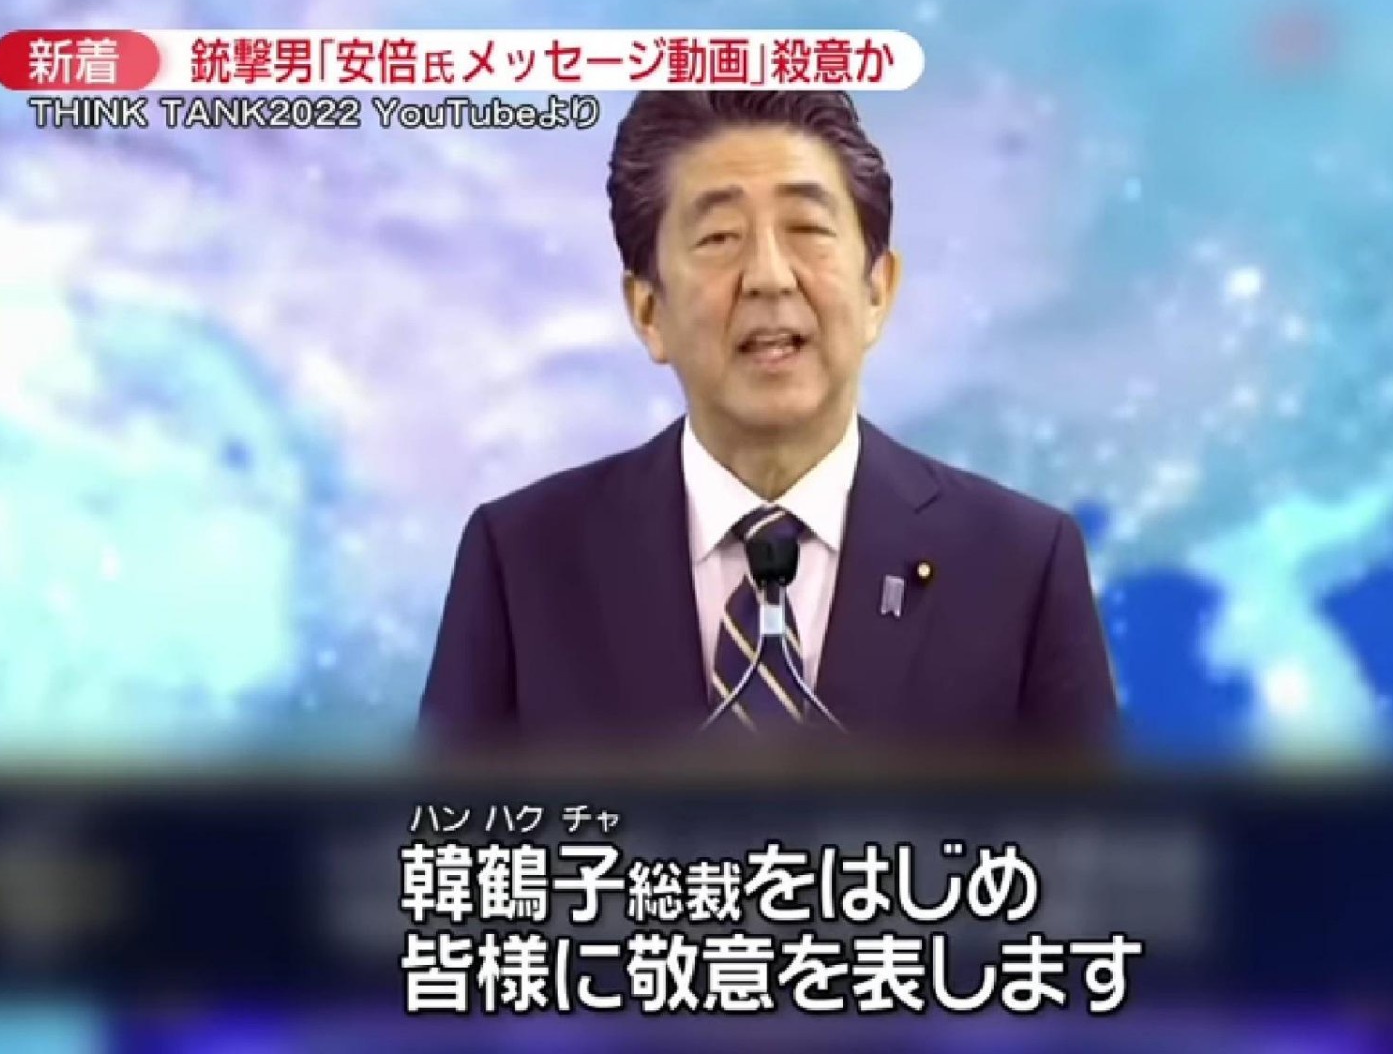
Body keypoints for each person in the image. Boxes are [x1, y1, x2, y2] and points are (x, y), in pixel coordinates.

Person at [419, 90, 1118, 757]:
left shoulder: (1020, 565)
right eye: (719, 237)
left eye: (808, 229)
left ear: (877, 291)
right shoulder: (523, 562)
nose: (770, 277)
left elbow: (1090, 841)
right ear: (648, 311)